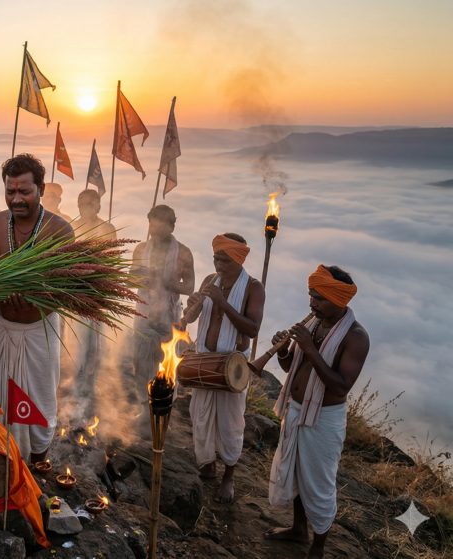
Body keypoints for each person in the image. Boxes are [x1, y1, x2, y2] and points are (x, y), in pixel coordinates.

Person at [265, 265, 369, 559]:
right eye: (311, 296)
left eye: (319, 299)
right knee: (298, 474)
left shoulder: (356, 337)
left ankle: (318, 547)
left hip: (323, 421)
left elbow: (340, 387)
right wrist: (284, 351)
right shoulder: (315, 325)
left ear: (340, 300)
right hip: (297, 412)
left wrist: (310, 349)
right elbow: (293, 370)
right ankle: (299, 530)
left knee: (319, 484)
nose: (312, 304)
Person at [0, 154, 75, 463]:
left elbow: (67, 290)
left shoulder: (60, 229)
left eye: (25, 191)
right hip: (1, 326)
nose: (16, 199)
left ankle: (38, 465)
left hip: (40, 329)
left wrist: (37, 298)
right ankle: (2, 464)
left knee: (40, 398)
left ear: (41, 189)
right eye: (10, 191)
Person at [181, 233, 265, 503]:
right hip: (205, 359)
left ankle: (228, 476)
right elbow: (192, 318)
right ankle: (208, 463)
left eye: (225, 260)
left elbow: (251, 329)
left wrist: (222, 302)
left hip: (232, 365)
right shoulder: (210, 280)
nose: (218, 264)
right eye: (216, 258)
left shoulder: (253, 287)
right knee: (200, 414)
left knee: (230, 422)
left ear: (239, 260)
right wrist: (191, 309)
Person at [125, 205, 194, 413]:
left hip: (169, 317)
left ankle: (162, 414)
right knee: (140, 365)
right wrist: (144, 277)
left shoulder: (183, 252)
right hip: (143, 315)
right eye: (151, 223)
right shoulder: (140, 249)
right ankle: (144, 412)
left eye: (160, 224)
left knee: (167, 368)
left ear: (171, 226)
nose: (154, 229)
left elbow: (189, 288)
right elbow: (129, 280)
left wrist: (164, 281)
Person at [62, 190, 118, 418]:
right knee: (78, 345)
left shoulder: (108, 229)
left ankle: (90, 386)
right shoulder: (70, 227)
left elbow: (114, 259)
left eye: (91, 203)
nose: (87, 207)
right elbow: (64, 260)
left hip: (98, 293)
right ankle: (75, 387)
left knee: (95, 345)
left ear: (98, 206)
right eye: (83, 203)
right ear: (77, 205)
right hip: (76, 295)